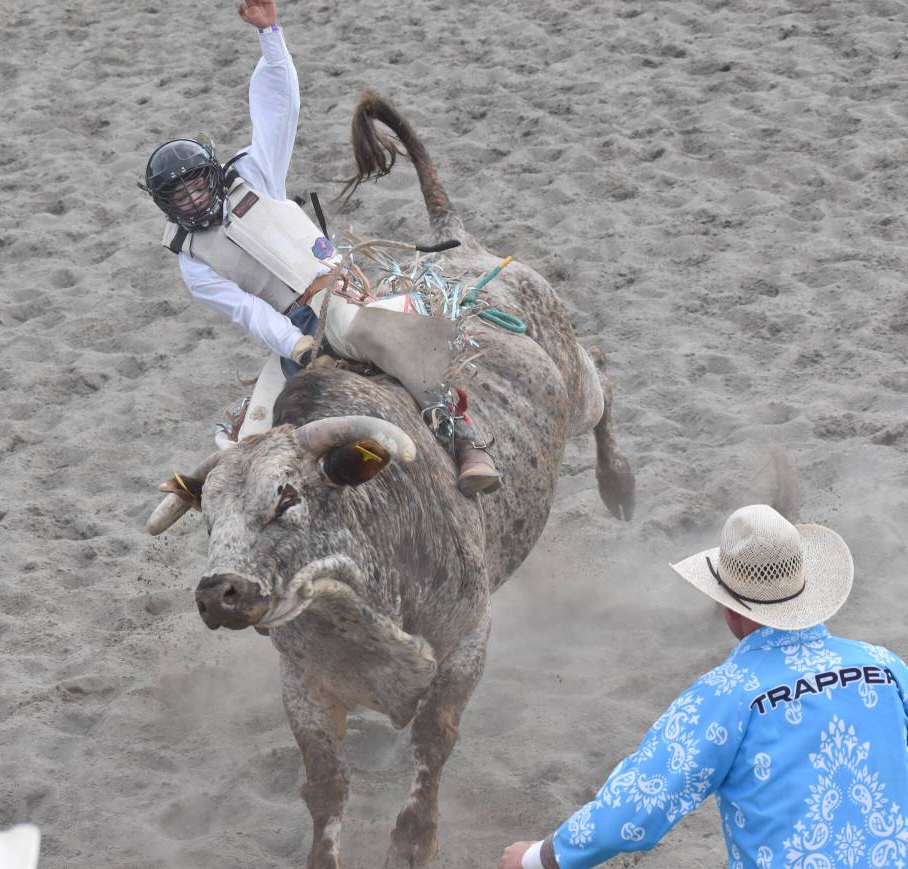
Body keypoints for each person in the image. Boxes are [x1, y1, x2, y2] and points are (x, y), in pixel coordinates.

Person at [137, 0, 500, 496]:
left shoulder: (256, 174)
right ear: (165, 204)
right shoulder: (192, 261)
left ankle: (465, 438)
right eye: (179, 196)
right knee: (253, 430)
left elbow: (277, 107)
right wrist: (294, 345)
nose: (194, 199)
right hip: (292, 331)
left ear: (213, 176)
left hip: (339, 297)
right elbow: (246, 311)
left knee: (392, 341)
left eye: (197, 186)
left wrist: (270, 35)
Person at [500, 504, 908, 868]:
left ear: (729, 609)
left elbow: (636, 809)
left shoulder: (726, 695)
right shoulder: (886, 667)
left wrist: (539, 858)